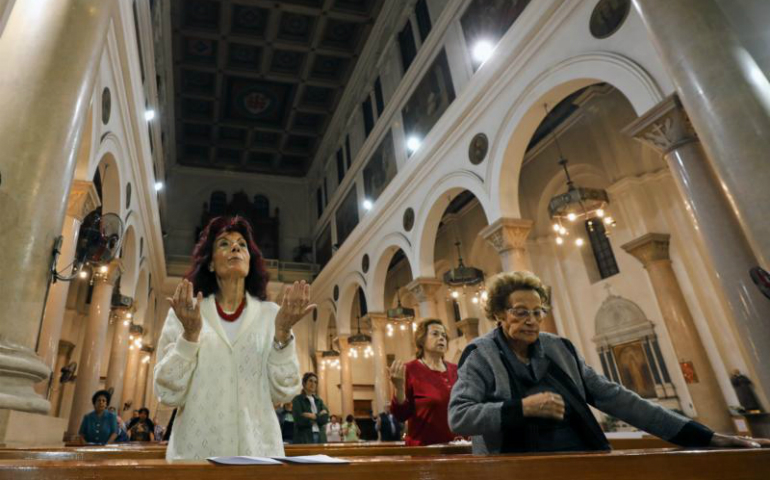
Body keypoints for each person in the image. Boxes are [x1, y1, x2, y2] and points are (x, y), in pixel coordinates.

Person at [449, 271, 770, 454]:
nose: (532, 320)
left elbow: (616, 398)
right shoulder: (481, 355)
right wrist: (520, 409)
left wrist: (703, 436)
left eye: (537, 312)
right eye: (521, 311)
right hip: (513, 468)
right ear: (499, 315)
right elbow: (460, 416)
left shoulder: (559, 349)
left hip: (581, 461)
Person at [154, 216, 314, 460]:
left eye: (242, 244)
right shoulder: (186, 312)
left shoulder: (271, 315)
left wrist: (282, 335)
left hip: (259, 454)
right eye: (224, 244)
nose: (236, 248)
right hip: (197, 455)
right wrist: (189, 336)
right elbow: (167, 394)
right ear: (210, 263)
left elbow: (285, 391)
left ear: (250, 261)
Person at [388, 319, 458, 446]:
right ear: (422, 339)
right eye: (435, 334)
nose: (441, 338)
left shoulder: (456, 370)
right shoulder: (409, 370)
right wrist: (399, 388)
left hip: (458, 446)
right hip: (425, 449)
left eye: (444, 335)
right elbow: (401, 415)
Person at [292, 372, 330, 444]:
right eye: (310, 381)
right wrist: (319, 417)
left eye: (315, 382)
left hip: (320, 437)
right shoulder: (297, 400)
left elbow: (325, 418)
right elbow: (299, 420)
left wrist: (313, 416)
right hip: (304, 437)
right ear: (304, 383)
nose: (313, 384)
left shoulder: (319, 401)